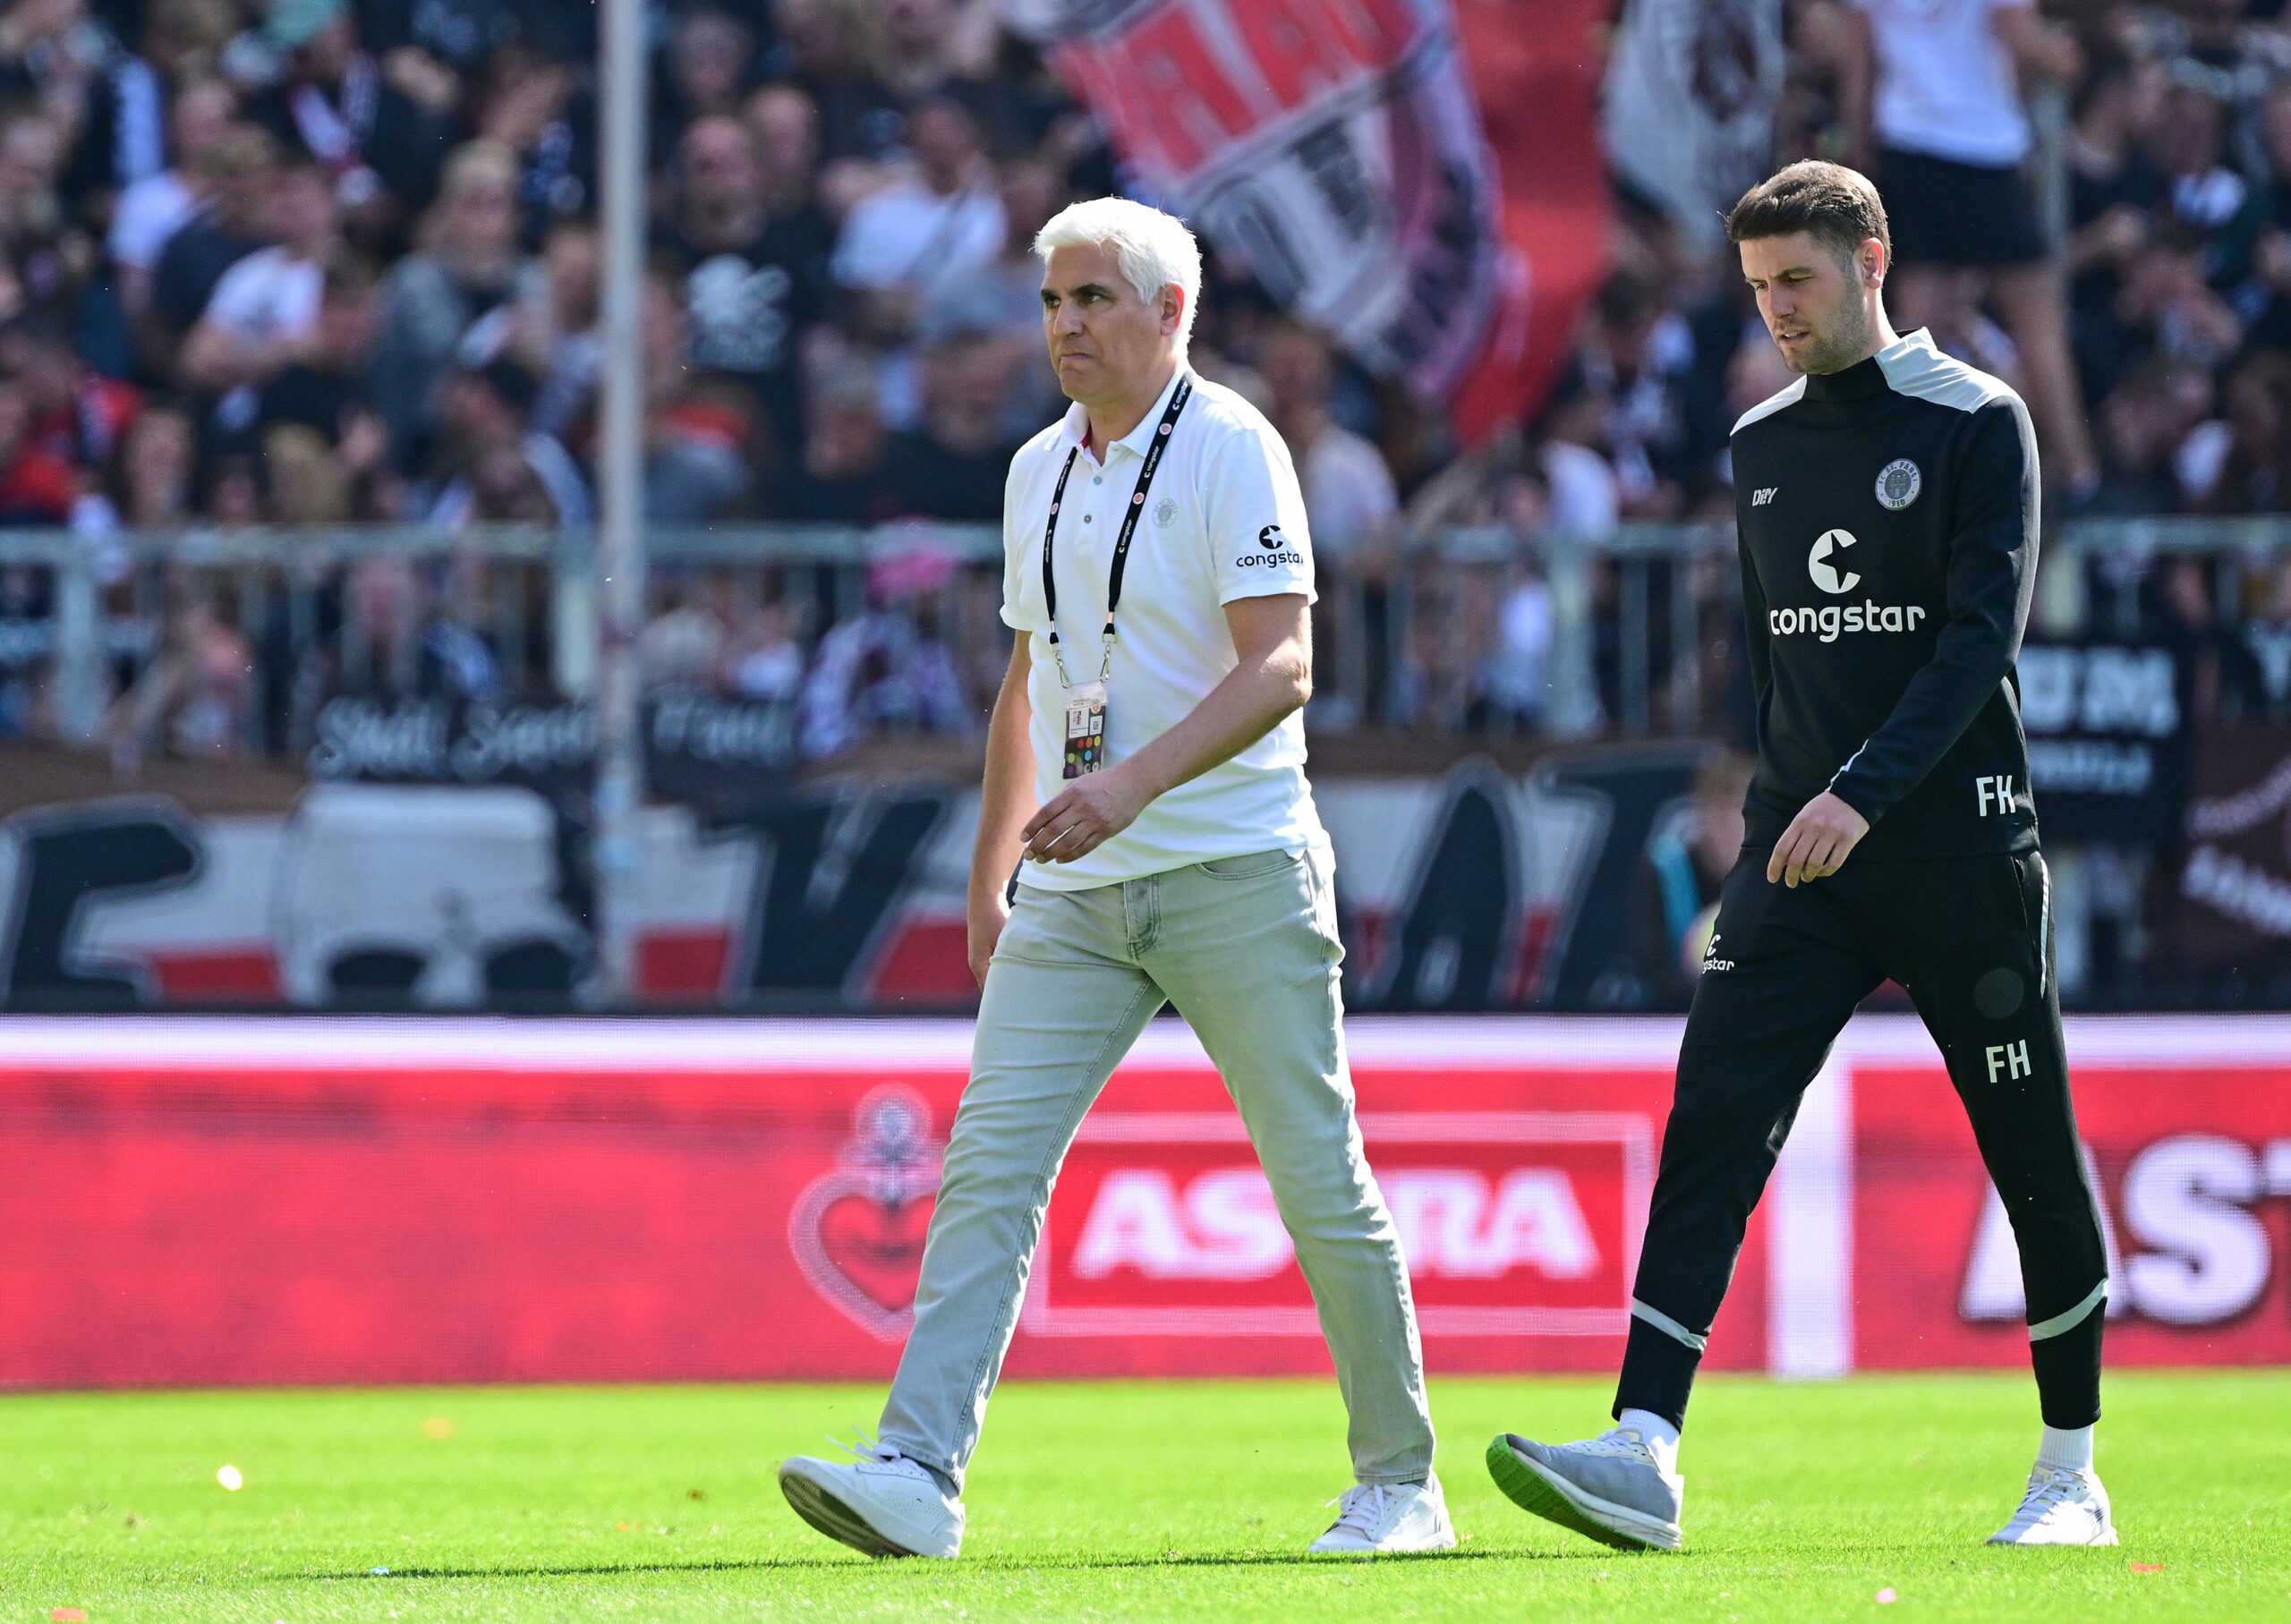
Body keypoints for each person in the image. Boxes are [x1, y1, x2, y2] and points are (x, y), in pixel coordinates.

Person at [776, 196, 1449, 1560]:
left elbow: (1285, 666)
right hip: (1077, 891)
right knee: (985, 1171)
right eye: (1052, 301)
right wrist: (986, 881)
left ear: (1169, 313)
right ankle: (916, 1470)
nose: (1067, 324)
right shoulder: (1037, 468)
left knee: (1318, 1179)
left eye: (1093, 299)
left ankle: (1400, 1484)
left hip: (1234, 868)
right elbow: (1028, 683)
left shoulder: (1236, 445)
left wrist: (1129, 786)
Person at [1486, 162, 2114, 1552]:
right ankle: (1645, 1444)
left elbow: (1977, 646)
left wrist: (1860, 796)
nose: (1776, 309)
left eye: (1800, 281)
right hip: (1799, 860)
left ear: (1872, 259)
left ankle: (2070, 1470)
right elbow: (1779, 661)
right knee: (1710, 1119)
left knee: (2029, 1159)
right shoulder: (1760, 439)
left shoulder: (1977, 419)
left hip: (1957, 856)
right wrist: (1762, 813)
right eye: (1760, 285)